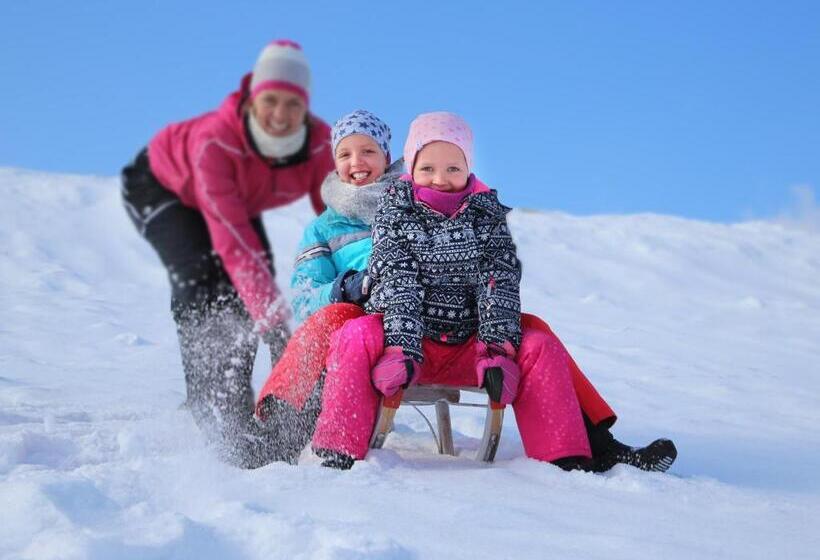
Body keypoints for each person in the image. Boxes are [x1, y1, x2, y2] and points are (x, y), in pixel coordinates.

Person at [257, 111, 676, 471]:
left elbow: (495, 274)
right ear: (334, 162)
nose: (358, 162)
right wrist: (349, 287)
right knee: (337, 320)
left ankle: (595, 442)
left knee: (531, 328)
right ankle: (279, 427)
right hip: (372, 313)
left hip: (455, 315)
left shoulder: (436, 195)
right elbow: (304, 295)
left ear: (390, 157)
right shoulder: (327, 227)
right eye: (345, 153)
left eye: (368, 151)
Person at [120, 40, 334, 468]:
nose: (279, 115)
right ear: (253, 97)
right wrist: (276, 327)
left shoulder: (317, 145)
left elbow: (332, 216)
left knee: (257, 282)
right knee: (202, 273)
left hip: (234, 200)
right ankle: (208, 401)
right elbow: (234, 245)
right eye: (269, 100)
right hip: (162, 187)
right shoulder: (215, 141)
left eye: (292, 104)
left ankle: (242, 403)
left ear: (305, 108)